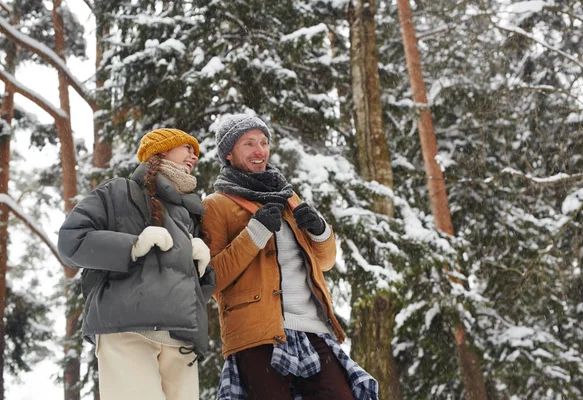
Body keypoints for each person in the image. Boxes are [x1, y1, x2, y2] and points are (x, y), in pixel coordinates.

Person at [203, 114, 378, 400]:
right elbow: (212, 280)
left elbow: (325, 262)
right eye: (249, 144)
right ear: (228, 154)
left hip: (313, 330)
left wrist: (320, 232)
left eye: (263, 142)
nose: (260, 151)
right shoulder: (216, 206)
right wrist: (255, 233)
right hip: (257, 335)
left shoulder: (288, 197)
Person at [57, 128, 216, 400]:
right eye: (187, 147)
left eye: (195, 151)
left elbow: (193, 287)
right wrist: (131, 246)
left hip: (181, 338)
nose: (194, 155)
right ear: (162, 150)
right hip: (127, 330)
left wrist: (203, 265)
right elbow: (72, 240)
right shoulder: (119, 191)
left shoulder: (190, 211)